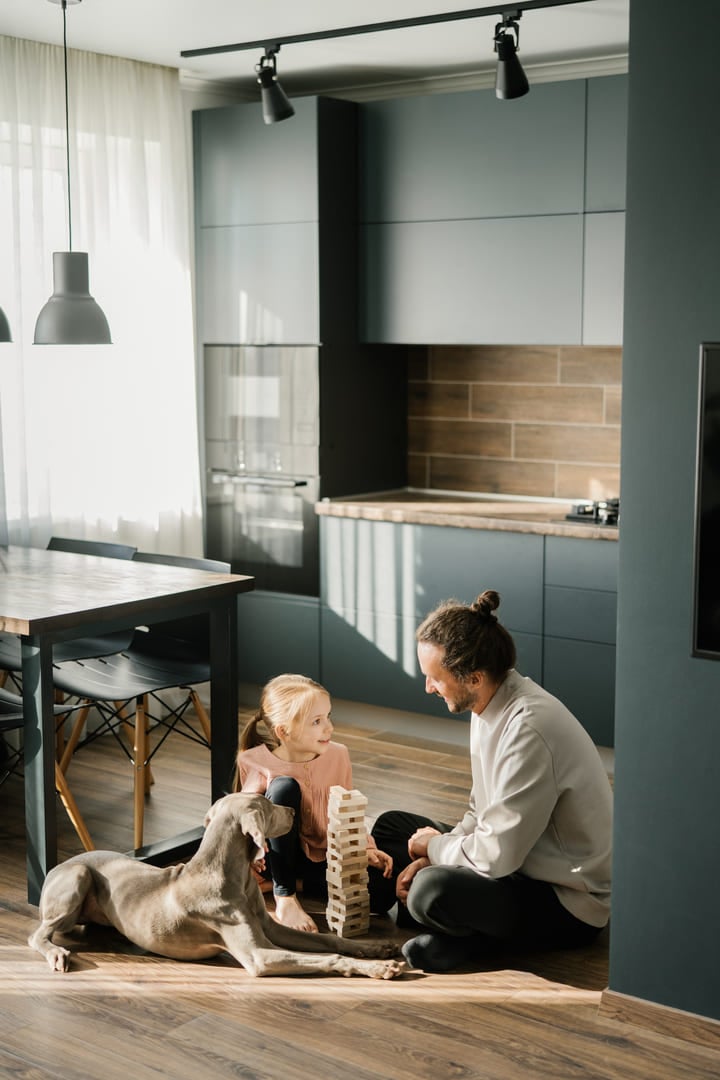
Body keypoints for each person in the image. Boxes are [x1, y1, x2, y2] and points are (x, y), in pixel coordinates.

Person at [367, 589, 613, 973]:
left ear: (474, 677)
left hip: (565, 901)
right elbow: (480, 810)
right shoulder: (489, 704)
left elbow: (498, 854)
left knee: (432, 890)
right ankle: (443, 920)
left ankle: (466, 935)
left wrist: (435, 851)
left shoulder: (529, 728)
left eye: (436, 678)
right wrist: (432, 851)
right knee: (392, 827)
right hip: (518, 863)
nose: (428, 688)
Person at [234, 673, 393, 933]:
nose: (329, 728)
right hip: (277, 856)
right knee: (284, 788)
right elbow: (247, 820)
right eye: (317, 721)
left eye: (328, 716)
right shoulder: (255, 761)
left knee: (384, 894)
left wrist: (363, 847)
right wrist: (254, 853)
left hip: (324, 856)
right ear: (284, 731)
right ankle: (285, 895)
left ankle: (292, 883)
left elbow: (348, 808)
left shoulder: (338, 755)